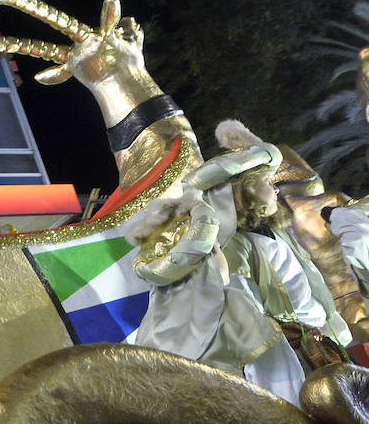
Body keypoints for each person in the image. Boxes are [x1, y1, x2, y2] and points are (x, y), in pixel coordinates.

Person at [126, 121, 347, 403]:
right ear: (246, 190)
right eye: (268, 183)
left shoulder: (257, 236)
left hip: (286, 354)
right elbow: (270, 314)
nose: (276, 191)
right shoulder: (245, 246)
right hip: (288, 366)